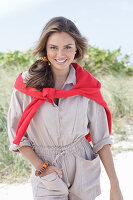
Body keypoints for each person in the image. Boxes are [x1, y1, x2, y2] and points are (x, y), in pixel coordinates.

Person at [7, 16, 123, 200]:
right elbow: (17, 135)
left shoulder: (87, 86)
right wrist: (41, 166)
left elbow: (101, 139)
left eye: (67, 47)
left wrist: (114, 185)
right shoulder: (26, 85)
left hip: (83, 167)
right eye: (53, 47)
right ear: (45, 48)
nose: (60, 54)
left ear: (76, 48)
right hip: (46, 168)